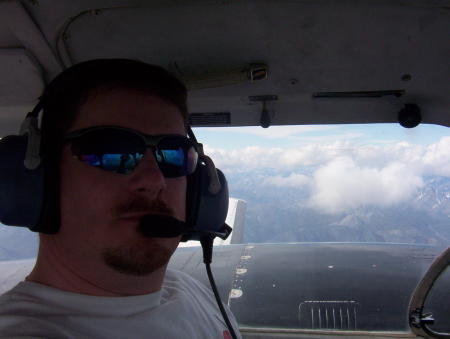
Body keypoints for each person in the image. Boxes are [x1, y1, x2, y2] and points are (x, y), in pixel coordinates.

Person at [0, 59, 241, 339]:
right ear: (41, 180)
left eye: (174, 154)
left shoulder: (196, 294)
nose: (154, 180)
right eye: (111, 152)